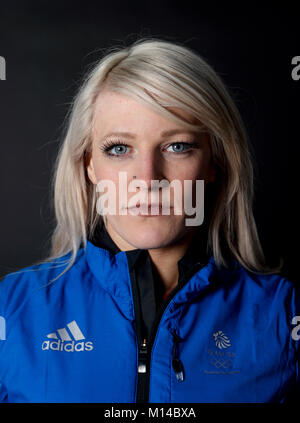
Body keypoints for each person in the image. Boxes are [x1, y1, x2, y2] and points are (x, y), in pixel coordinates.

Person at [0, 37, 299, 403]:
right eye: (119, 149)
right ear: (89, 165)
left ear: (215, 165)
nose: (148, 178)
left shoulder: (284, 317)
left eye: (177, 146)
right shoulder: (11, 310)